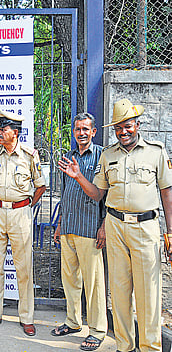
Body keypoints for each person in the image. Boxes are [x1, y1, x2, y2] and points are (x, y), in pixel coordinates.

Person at [58, 98, 172, 352]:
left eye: (128, 126)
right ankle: (124, 346)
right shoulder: (108, 155)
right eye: (119, 127)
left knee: (148, 296)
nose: (123, 131)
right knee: (120, 294)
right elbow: (98, 194)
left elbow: (166, 192)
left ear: (137, 125)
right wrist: (77, 176)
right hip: (116, 227)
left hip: (146, 228)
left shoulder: (155, 151)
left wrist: (170, 231)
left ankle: (150, 348)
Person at [0, 111, 45, 336]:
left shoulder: (29, 156)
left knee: (24, 268)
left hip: (20, 215)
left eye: (4, 129)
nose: (0, 133)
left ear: (15, 132)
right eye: (0, 129)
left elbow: (40, 186)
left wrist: (26, 205)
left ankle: (26, 317)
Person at [51, 113, 107, 351]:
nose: (81, 133)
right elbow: (65, 192)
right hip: (70, 228)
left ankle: (97, 330)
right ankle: (73, 322)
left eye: (86, 129)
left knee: (93, 284)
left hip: (90, 229)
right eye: (77, 129)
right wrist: (61, 222)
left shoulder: (101, 156)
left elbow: (100, 195)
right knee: (70, 280)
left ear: (93, 132)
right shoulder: (69, 157)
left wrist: (104, 225)